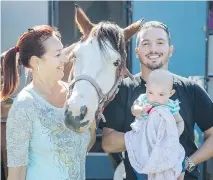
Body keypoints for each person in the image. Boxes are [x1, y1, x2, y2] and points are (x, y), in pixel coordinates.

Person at [100, 21, 213, 180]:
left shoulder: (191, 89)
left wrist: (187, 163)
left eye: (160, 43)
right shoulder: (122, 90)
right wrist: (146, 136)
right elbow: (108, 142)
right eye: (146, 44)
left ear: (170, 50)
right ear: (137, 52)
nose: (153, 49)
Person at [1, 25, 96, 180]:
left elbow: (79, 148)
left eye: (63, 52)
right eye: (58, 54)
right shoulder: (24, 106)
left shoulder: (76, 95)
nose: (65, 59)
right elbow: (16, 174)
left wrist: (91, 125)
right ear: (35, 62)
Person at [127, 69, 185, 180]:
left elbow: (180, 121)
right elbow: (133, 110)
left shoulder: (171, 105)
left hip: (165, 139)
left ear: (170, 93)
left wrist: (175, 134)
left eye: (161, 94)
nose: (155, 98)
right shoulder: (144, 100)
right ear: (146, 87)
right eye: (150, 92)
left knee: (179, 158)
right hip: (144, 139)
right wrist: (141, 109)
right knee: (142, 163)